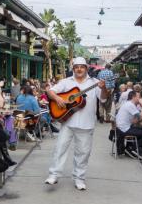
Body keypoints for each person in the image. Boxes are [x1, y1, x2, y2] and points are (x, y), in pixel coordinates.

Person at [44, 57, 109, 190]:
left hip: (87, 123)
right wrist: (57, 99)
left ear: (86, 68)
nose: (79, 69)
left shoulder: (95, 82)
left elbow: (103, 99)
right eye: (76, 67)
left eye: (82, 67)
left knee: (83, 153)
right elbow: (50, 92)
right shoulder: (66, 82)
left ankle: (79, 178)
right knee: (59, 149)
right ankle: (54, 175)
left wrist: (104, 88)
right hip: (68, 122)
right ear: (73, 69)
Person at [115, 90, 142, 158]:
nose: (140, 99)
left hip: (121, 128)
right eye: (138, 97)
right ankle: (133, 148)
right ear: (133, 97)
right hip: (124, 129)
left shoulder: (128, 104)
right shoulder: (130, 105)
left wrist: (139, 118)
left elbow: (134, 121)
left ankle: (133, 148)